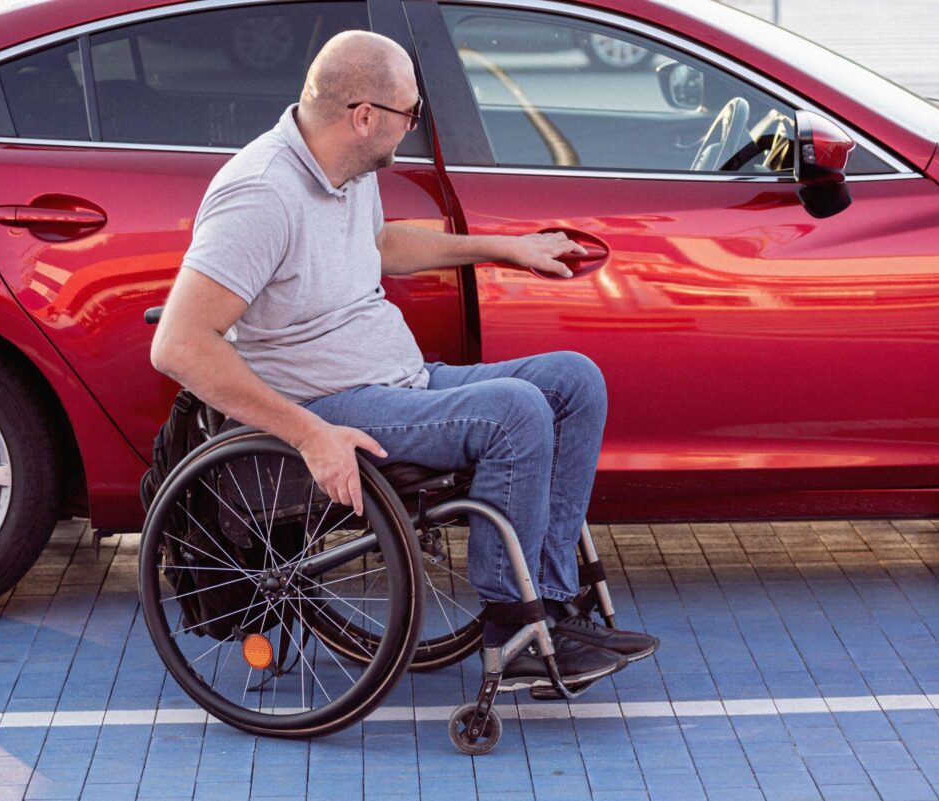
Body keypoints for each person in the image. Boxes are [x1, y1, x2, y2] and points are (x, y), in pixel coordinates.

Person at [151, 30, 657, 690]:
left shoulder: (347, 168)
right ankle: (515, 622)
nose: (415, 124)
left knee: (573, 381)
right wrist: (310, 434)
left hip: (400, 383)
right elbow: (180, 345)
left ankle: (554, 607)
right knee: (516, 411)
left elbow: (381, 243)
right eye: (410, 112)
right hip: (330, 403)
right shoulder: (260, 194)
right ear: (364, 115)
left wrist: (506, 249)